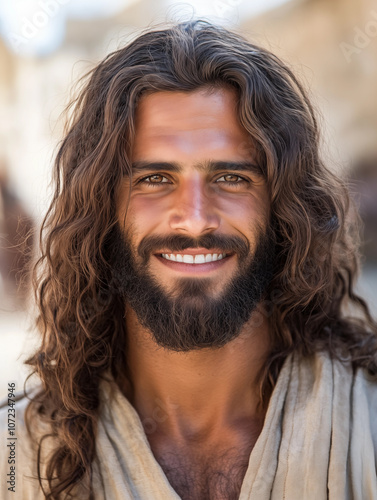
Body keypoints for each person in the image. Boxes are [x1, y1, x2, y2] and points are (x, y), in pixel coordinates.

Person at [1, 20, 377, 500]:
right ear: (102, 210)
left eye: (232, 178)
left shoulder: (365, 424)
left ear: (283, 206)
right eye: (155, 179)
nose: (195, 221)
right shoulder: (15, 454)